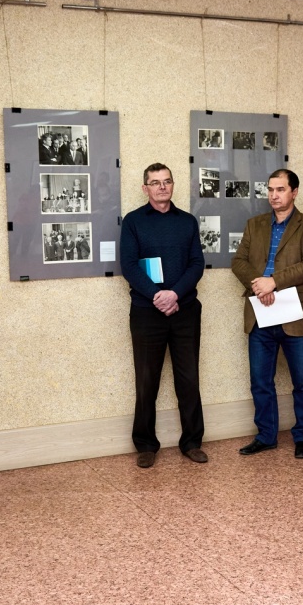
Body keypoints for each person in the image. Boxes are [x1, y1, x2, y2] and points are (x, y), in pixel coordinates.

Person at [119, 163, 207, 468]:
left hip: (184, 311)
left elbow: (196, 263)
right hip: (147, 312)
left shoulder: (187, 221)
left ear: (172, 185)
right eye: (155, 182)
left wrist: (174, 294)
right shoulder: (133, 221)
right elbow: (129, 266)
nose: (162, 187)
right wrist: (158, 295)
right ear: (145, 188)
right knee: (146, 380)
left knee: (189, 379)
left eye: (167, 181)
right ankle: (145, 444)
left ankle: (192, 442)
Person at [232, 169, 303, 459]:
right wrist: (259, 285)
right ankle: (266, 436)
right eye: (270, 189)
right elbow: (239, 261)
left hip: (296, 313)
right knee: (260, 381)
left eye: (280, 189)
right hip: (261, 311)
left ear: (294, 192)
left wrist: (274, 281)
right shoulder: (254, 224)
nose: (274, 195)